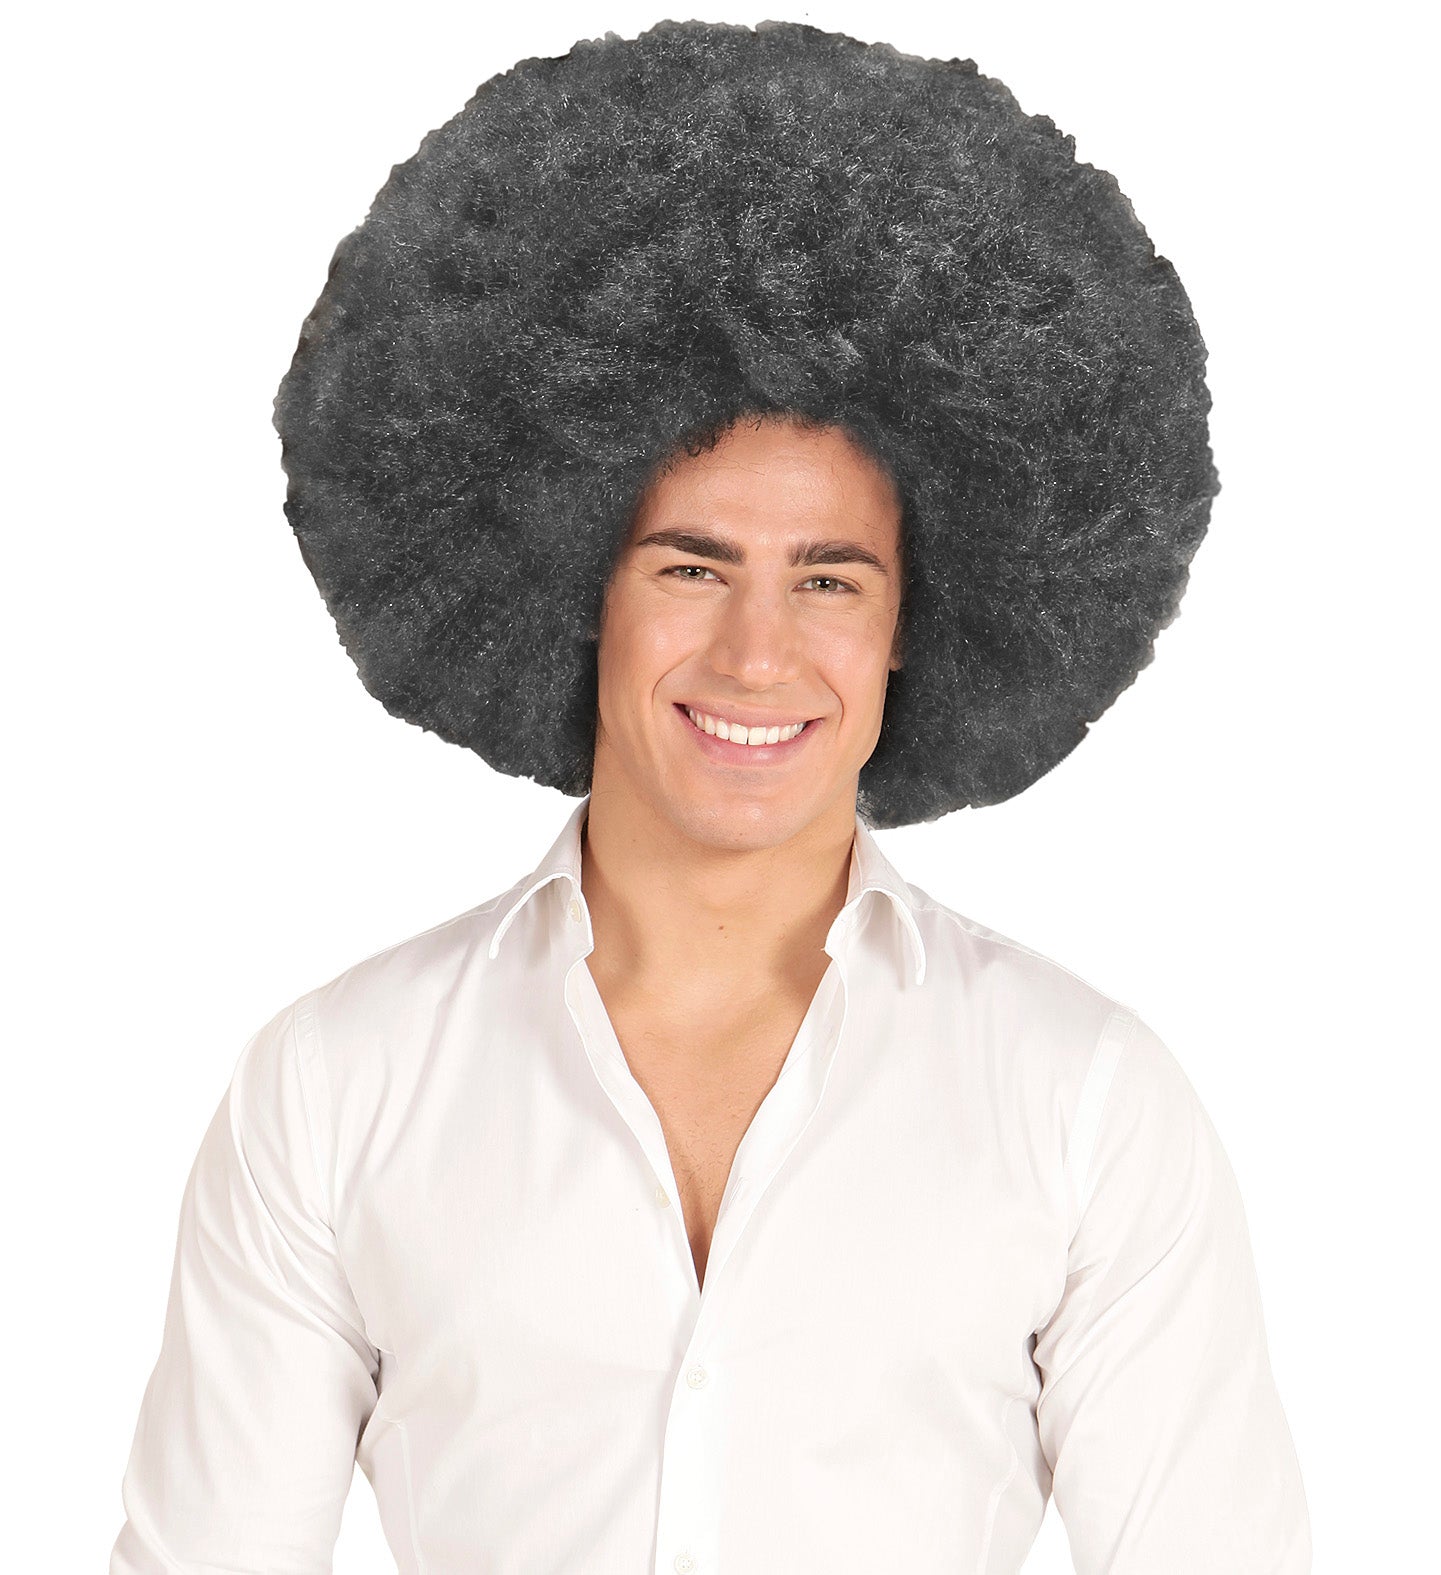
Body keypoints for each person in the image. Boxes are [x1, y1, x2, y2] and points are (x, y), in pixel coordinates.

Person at [110, 20, 1311, 1574]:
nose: (756, 654)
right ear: (576, 586)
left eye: (829, 578)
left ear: (910, 624)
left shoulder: (1080, 1099)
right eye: (691, 568)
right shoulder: (339, 1086)